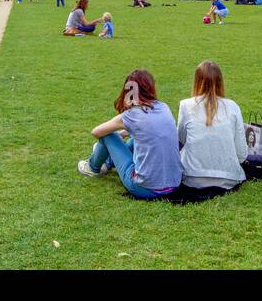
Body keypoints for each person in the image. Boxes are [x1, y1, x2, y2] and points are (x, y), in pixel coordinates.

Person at [78, 69, 182, 200]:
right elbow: (147, 128)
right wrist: (125, 132)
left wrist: (118, 135)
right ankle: (108, 163)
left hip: (145, 188)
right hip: (174, 184)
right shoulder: (163, 107)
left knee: (109, 135)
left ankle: (92, 167)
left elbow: (97, 132)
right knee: (137, 138)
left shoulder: (132, 115)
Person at [176, 61, 247, 194]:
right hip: (228, 178)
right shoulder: (233, 107)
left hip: (192, 176)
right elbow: (242, 154)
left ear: (196, 81)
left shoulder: (186, 105)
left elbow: (181, 139)